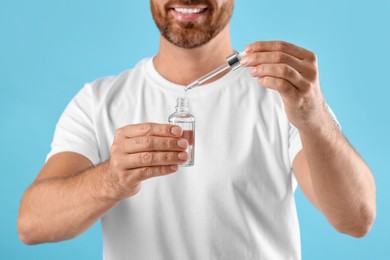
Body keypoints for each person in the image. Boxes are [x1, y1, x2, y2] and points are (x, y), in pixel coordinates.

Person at [18, 0, 376, 259]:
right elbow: (32, 224)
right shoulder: (98, 101)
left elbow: (356, 218)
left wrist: (312, 115)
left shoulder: (282, 96)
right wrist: (112, 178)